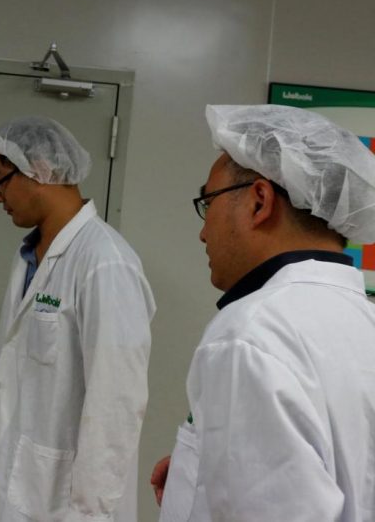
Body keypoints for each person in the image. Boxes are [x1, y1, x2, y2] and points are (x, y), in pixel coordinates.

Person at [151, 104, 375, 521]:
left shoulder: (250, 333)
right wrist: (195, 469)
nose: (203, 232)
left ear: (259, 201)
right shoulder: (364, 321)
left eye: (208, 203)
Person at [0, 116, 155, 522]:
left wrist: (90, 513)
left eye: (0, 180)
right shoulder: (28, 257)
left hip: (66, 503)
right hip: (21, 487)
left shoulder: (105, 262)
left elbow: (116, 404)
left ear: (39, 168)